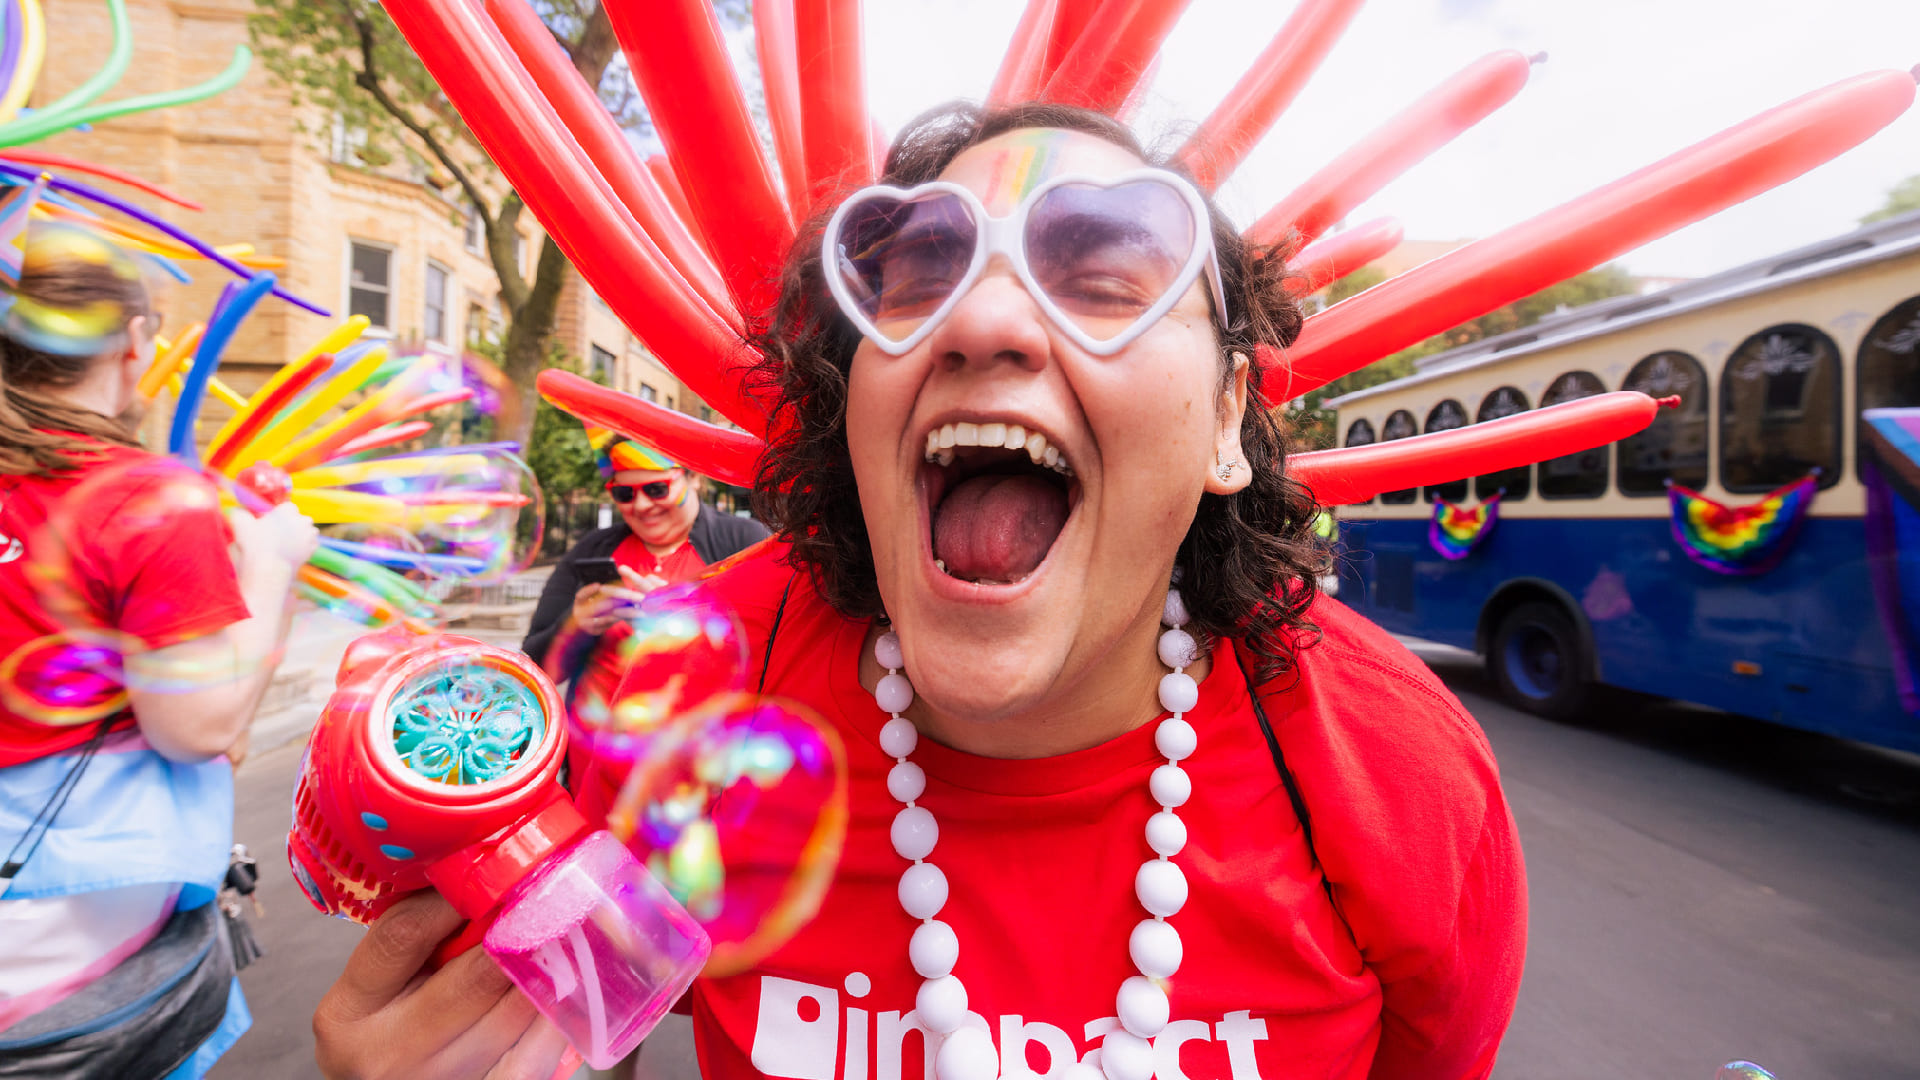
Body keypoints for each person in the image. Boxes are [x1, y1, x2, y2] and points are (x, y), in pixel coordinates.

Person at [314, 102, 1526, 1080]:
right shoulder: (690, 689)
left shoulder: (1398, 777)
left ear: (1223, 422)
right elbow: (588, 1027)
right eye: (921, 272)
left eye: (1106, 277)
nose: (982, 317)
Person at [0, 224, 317, 1077]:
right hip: (62, 932)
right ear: (135, 342)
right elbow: (202, 725)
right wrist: (270, 563)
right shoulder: (141, 496)